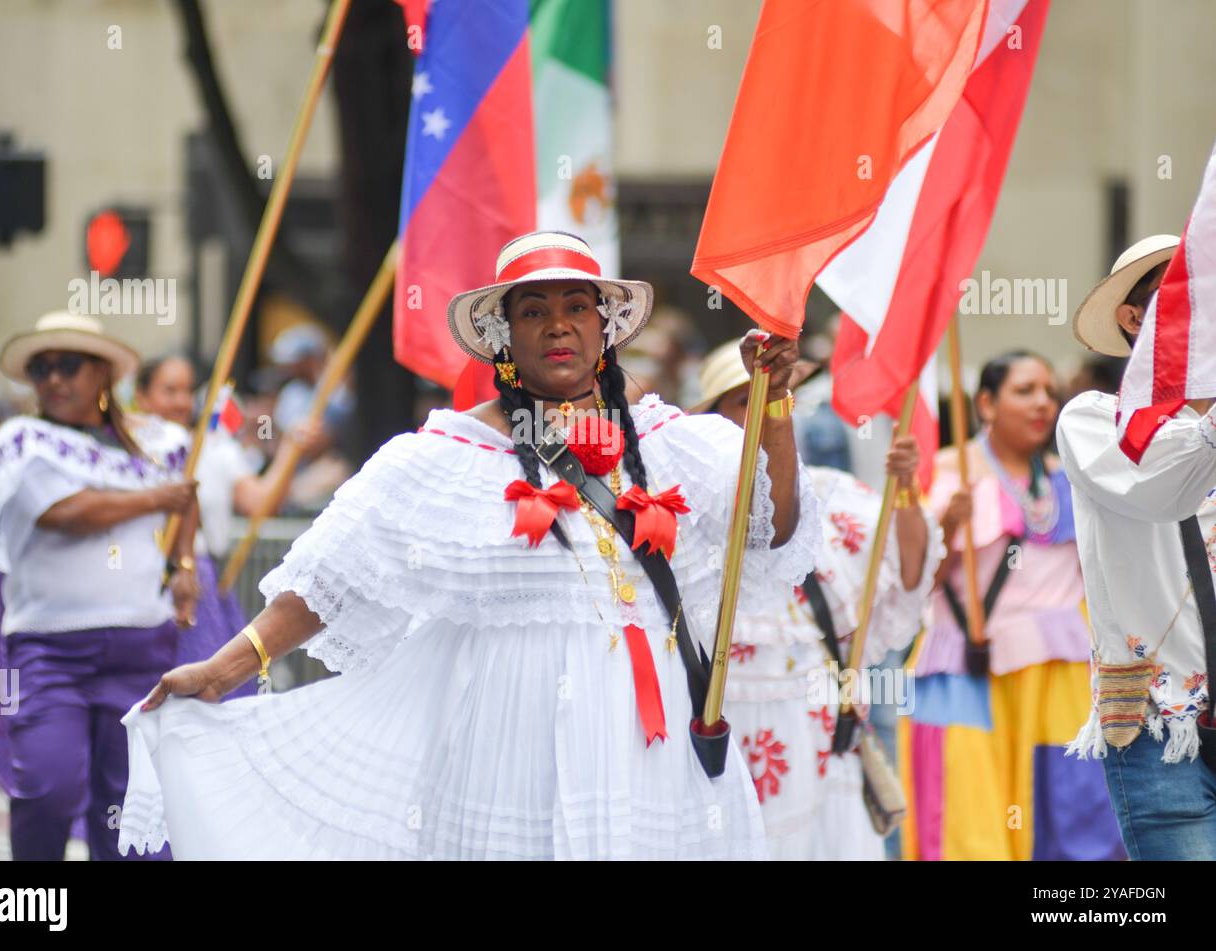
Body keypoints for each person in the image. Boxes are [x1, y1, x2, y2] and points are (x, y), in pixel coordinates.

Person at [117, 230, 820, 860]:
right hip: (508, 753)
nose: (558, 326)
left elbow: (775, 527)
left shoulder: (675, 443)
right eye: (534, 311)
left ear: (605, 327)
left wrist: (777, 407)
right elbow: (333, 578)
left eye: (577, 306)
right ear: (503, 335)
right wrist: (222, 671)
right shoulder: (443, 457)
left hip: (652, 750)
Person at [694, 339, 942, 859]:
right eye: (744, 401)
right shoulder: (689, 508)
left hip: (821, 728)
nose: (762, 413)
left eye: (773, 400)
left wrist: (905, 493)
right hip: (723, 736)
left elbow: (908, 577)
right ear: (712, 418)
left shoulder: (837, 494)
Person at [0, 312, 200, 860]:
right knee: (48, 787)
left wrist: (185, 564)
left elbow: (186, 498)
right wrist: (157, 498)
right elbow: (65, 514)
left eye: (68, 365)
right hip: (52, 651)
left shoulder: (161, 442)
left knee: (131, 808)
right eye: (42, 368)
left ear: (102, 374)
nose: (54, 378)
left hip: (142, 648)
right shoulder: (21, 441)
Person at [900, 350, 1125, 860]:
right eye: (1025, 391)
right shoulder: (948, 471)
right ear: (985, 403)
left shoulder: (1073, 476)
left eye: (1049, 391)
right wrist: (948, 526)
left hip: (1062, 676)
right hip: (971, 670)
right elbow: (913, 586)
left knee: (1076, 821)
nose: (1043, 404)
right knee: (970, 824)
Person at [1058, 234, 1216, 860]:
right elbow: (1164, 490)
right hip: (1160, 726)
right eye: (1184, 297)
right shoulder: (1093, 418)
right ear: (1132, 318)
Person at [134, 354, 325, 562]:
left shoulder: (216, 449)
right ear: (141, 397)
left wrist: (290, 448)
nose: (181, 402)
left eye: (188, 391)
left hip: (201, 574)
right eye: (170, 391)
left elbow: (260, 504)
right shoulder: (126, 449)